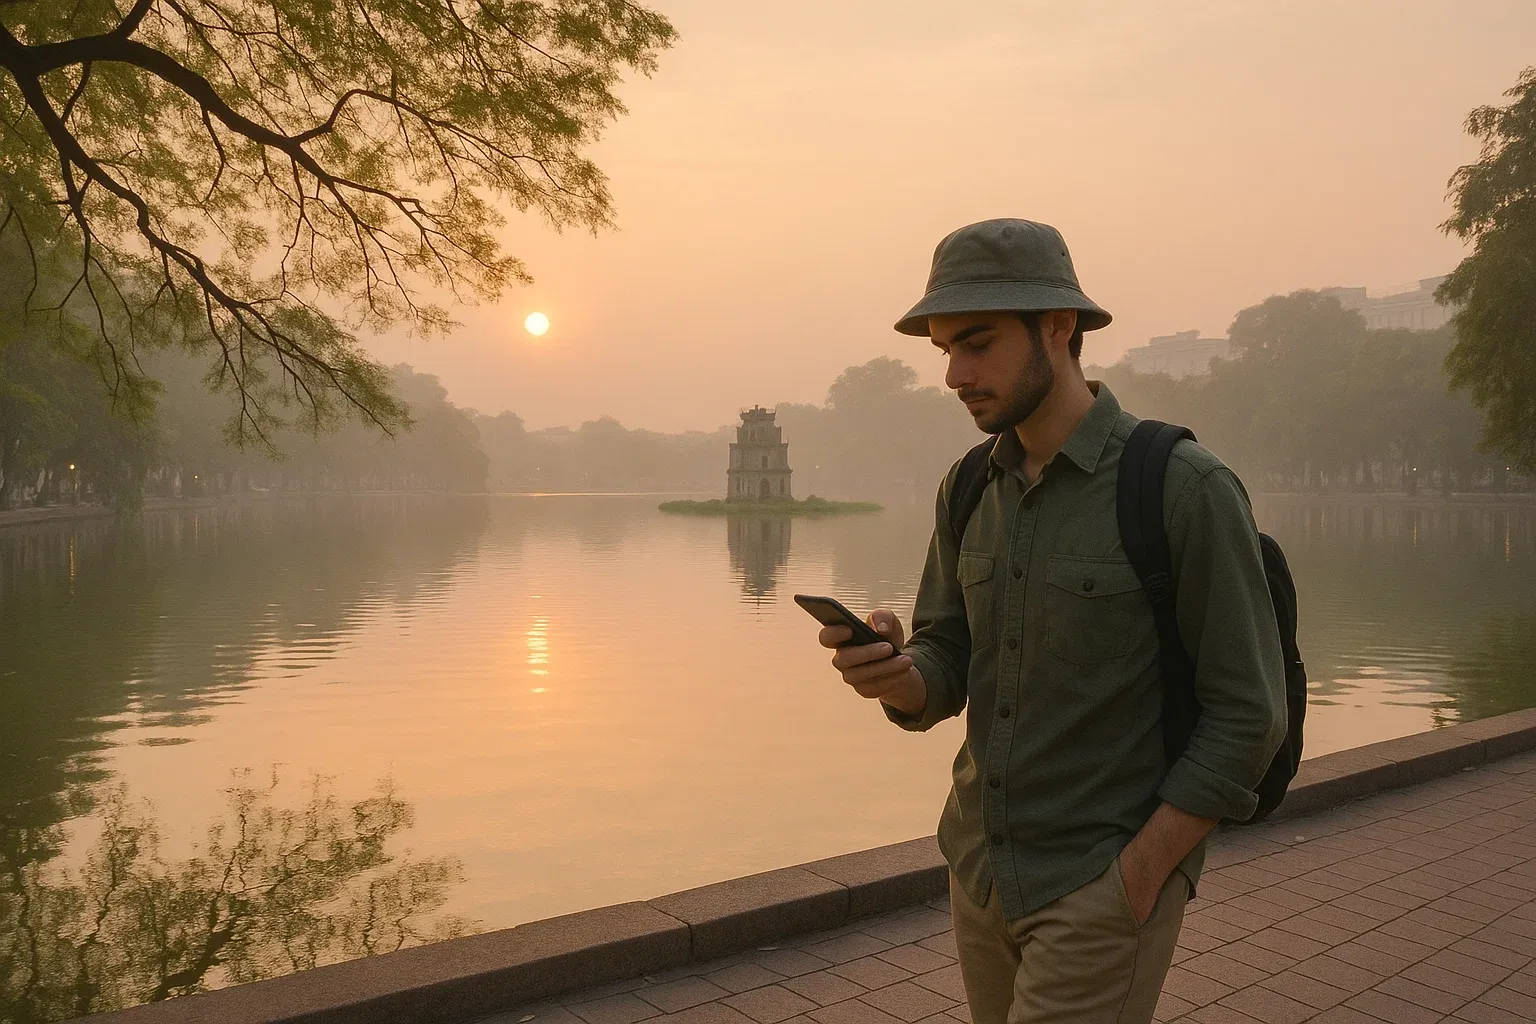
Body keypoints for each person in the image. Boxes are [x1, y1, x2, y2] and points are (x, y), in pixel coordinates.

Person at [817, 219, 1286, 1024]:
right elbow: (945, 656)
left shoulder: (1182, 488)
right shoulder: (969, 486)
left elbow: (1250, 712)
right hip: (980, 871)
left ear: (1059, 326)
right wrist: (895, 675)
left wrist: (1143, 872)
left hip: (1100, 880)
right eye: (945, 350)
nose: (955, 374)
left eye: (978, 343)